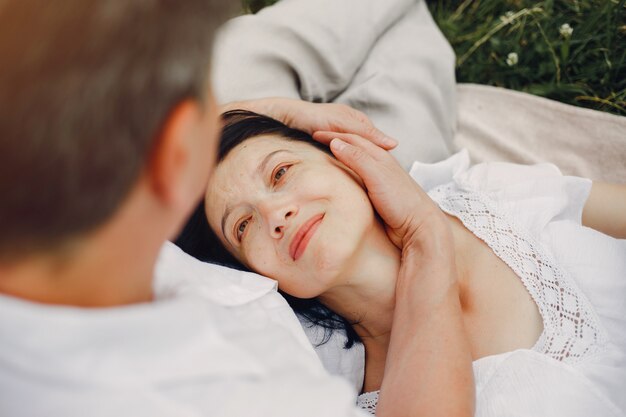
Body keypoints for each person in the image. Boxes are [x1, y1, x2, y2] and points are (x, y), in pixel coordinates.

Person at [0, 1, 474, 416]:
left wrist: (262, 119)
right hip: (317, 248)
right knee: (390, 86)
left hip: (245, 185)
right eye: (210, 110)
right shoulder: (243, 399)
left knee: (243, 53)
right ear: (177, 154)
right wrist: (425, 237)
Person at [178, 109, 626, 416]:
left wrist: (280, 110)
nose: (275, 216)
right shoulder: (350, 399)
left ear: (347, 158)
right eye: (242, 226)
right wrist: (421, 237)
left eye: (280, 173)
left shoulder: (490, 196)